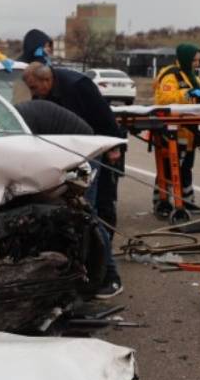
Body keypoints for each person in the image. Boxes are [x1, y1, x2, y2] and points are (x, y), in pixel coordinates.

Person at [22, 64, 124, 297]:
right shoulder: (36, 102)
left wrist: (114, 145)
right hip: (66, 153)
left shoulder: (78, 86)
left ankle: (110, 276)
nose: (33, 92)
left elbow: (104, 114)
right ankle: (80, 269)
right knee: (73, 214)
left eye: (35, 87)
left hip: (89, 150)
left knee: (87, 214)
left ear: (47, 81)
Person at [152, 43, 200, 212]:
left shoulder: (192, 77)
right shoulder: (170, 76)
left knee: (186, 167)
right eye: (194, 60)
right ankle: (162, 201)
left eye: (199, 60)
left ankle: (187, 200)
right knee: (169, 167)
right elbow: (166, 100)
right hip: (173, 130)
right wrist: (187, 94)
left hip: (189, 130)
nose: (197, 64)